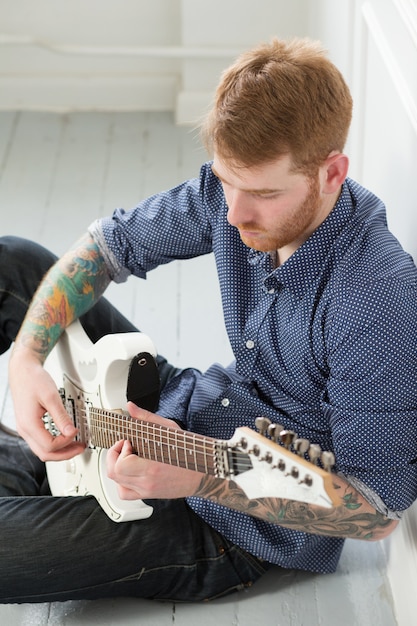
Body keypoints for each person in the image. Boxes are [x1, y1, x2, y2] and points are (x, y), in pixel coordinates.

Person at [1, 36, 417, 604]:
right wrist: (25, 360)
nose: (234, 214)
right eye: (225, 182)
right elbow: (106, 248)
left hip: (230, 528)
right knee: (11, 263)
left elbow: (373, 511)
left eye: (263, 194)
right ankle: (39, 465)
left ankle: (27, 471)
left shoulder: (377, 298)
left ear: (331, 172)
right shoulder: (233, 195)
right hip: (185, 405)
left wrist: (198, 478)